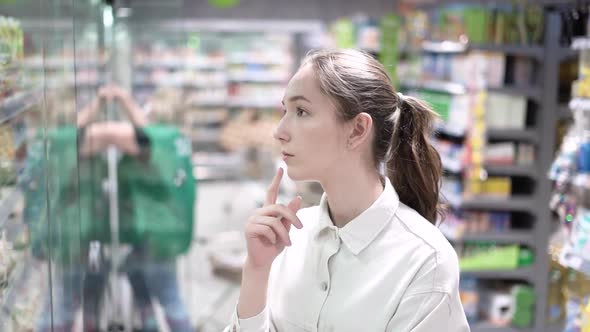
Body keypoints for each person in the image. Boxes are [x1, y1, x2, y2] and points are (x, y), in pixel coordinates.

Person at [225, 49, 470, 332]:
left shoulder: (425, 261)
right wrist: (256, 271)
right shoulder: (290, 238)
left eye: (301, 111)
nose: (279, 130)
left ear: (357, 130)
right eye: (285, 111)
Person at [28, 85, 194, 332]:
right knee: (143, 293)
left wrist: (106, 103)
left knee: (66, 304)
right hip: (155, 233)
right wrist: (119, 102)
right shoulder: (176, 139)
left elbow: (108, 134)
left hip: (136, 234)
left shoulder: (160, 138)